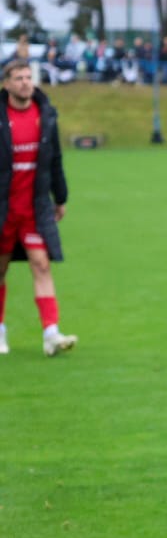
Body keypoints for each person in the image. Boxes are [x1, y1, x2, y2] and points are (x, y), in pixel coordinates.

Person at [0, 59, 75, 358]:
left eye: (28, 77)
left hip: (33, 209)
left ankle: (51, 334)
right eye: (18, 78)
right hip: (4, 209)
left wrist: (61, 197)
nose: (25, 83)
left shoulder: (45, 115)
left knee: (42, 265)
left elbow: (54, 159)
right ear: (6, 84)